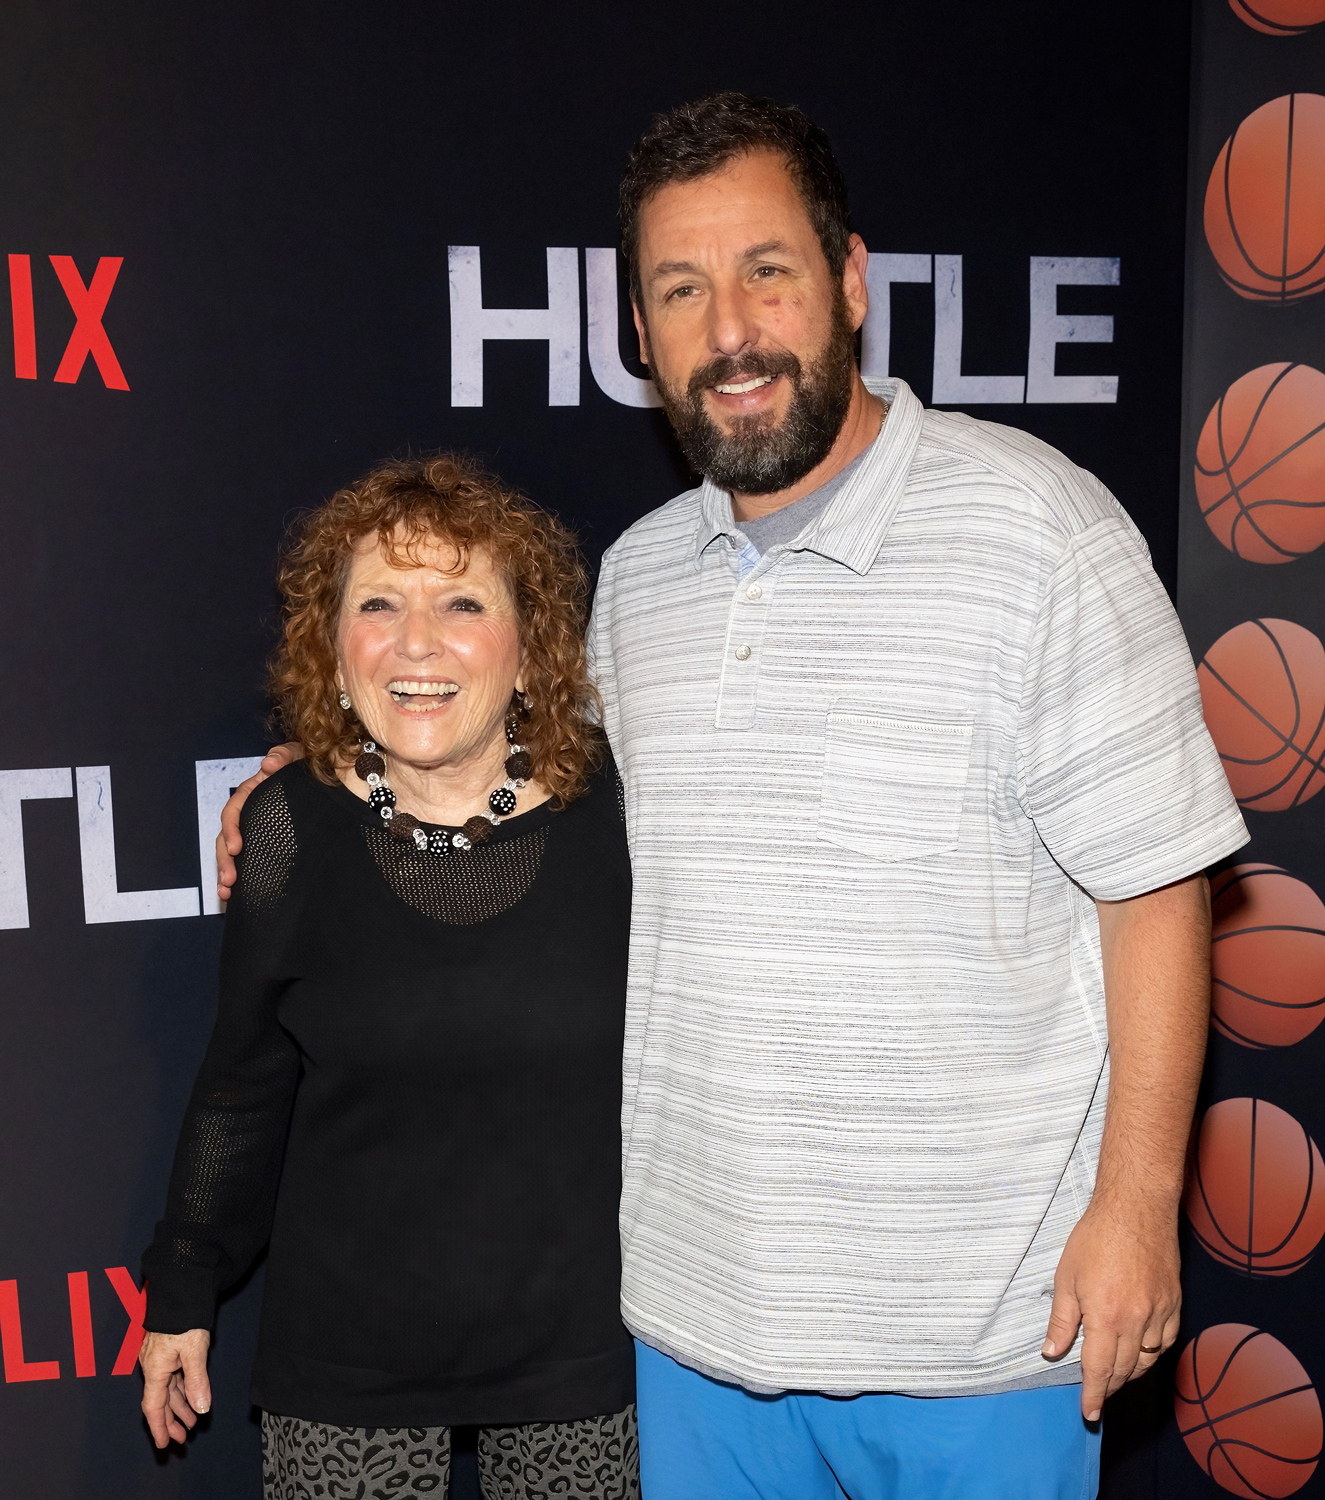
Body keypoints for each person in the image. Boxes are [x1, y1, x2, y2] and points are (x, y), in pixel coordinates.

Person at [221, 95, 1248, 1500]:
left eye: (767, 270)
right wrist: (325, 775)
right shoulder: (638, 577)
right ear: (640, 339)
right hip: (695, 1342)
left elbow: (1156, 886)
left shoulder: (1039, 532)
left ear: (850, 283)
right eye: (681, 290)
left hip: (982, 1342)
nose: (733, 328)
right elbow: (487, 747)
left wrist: (1138, 1208)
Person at [141, 455, 639, 1500]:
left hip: (581, 1355)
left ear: (529, 646)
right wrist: (182, 1291)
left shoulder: (621, 818)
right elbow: (243, 1081)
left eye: (462, 600)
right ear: (334, 648)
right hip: (345, 1359)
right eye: (379, 603)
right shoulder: (289, 829)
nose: (417, 643)